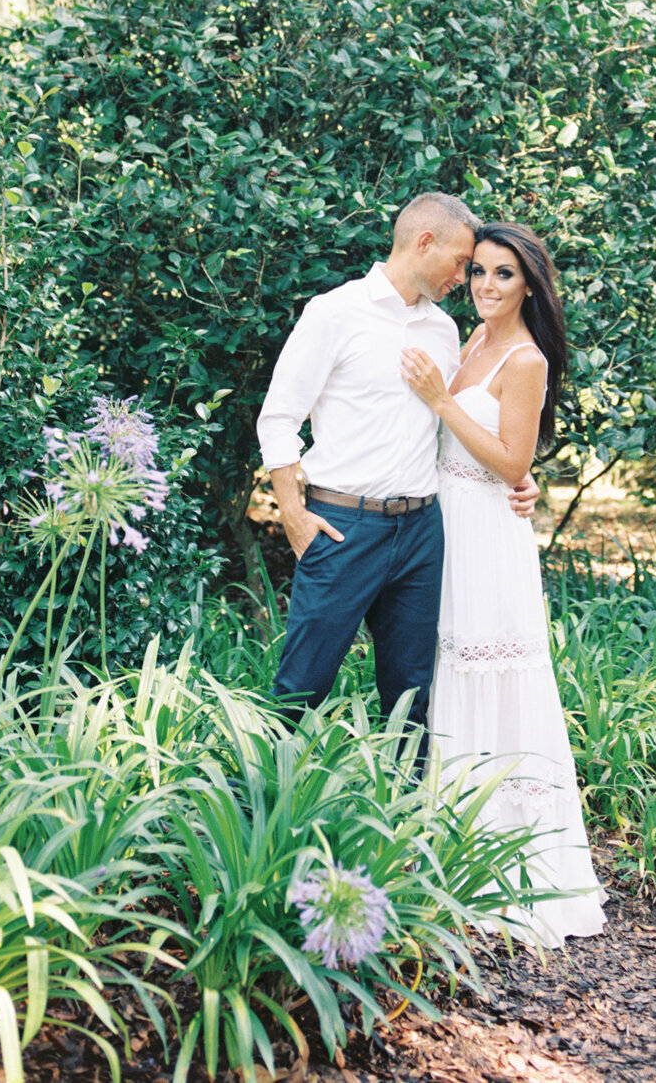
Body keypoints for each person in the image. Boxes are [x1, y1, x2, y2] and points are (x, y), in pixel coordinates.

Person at [256, 192, 539, 747]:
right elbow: (278, 418)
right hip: (343, 526)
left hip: (422, 532)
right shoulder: (335, 313)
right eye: (462, 262)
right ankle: (253, 816)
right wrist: (292, 513)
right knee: (302, 685)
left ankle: (403, 819)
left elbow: (457, 422)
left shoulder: (443, 330)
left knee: (411, 693)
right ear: (424, 242)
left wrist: (520, 474)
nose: (467, 276)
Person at [401, 222, 606, 945]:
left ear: (529, 285)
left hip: (488, 536)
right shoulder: (470, 339)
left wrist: (440, 399)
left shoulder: (523, 357)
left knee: (487, 671)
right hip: (445, 524)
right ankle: (452, 851)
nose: (487, 285)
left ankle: (508, 871)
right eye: (480, 271)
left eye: (503, 275)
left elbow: (509, 457)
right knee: (446, 672)